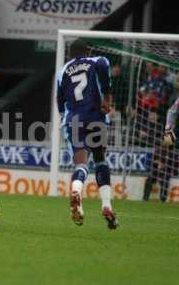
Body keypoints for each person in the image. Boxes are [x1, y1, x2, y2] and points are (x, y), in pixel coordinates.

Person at [56, 39, 118, 229]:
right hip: (95, 117)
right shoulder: (96, 60)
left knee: (81, 163)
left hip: (74, 120)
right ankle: (106, 205)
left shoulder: (62, 71)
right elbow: (104, 65)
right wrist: (107, 99)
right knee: (100, 159)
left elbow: (60, 105)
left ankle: (76, 190)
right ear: (88, 51)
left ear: (69, 54)